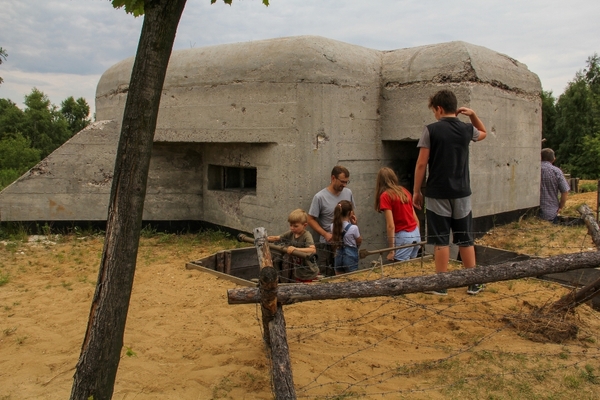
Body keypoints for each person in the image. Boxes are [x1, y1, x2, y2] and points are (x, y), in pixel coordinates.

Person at [412, 89, 487, 296]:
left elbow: (421, 163)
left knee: (441, 239)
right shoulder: (466, 129)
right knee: (465, 238)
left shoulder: (431, 130)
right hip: (462, 193)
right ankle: (473, 283)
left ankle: (441, 285)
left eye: (434, 111)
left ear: (439, 108)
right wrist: (473, 115)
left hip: (437, 192)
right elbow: (483, 133)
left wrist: (416, 191)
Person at [308, 165, 356, 276]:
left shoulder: (348, 193)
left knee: (347, 275)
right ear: (333, 178)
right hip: (327, 245)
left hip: (346, 244)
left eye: (346, 182)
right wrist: (325, 234)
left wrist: (353, 222)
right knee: (327, 275)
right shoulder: (319, 197)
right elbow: (310, 219)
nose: (344, 185)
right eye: (342, 181)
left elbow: (352, 213)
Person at [374, 167, 421, 262]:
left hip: (403, 236)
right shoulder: (404, 191)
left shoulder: (386, 196)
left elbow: (390, 226)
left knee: (400, 267)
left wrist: (391, 250)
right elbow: (415, 219)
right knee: (413, 266)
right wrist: (418, 238)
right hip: (415, 233)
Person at [267, 209, 320, 283]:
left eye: (295, 226)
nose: (292, 228)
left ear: (304, 225)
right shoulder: (291, 233)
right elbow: (277, 238)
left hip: (310, 273)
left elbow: (312, 250)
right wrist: (265, 239)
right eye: (291, 225)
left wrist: (295, 249)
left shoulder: (306, 235)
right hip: (299, 273)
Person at [330, 200, 362, 274]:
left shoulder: (332, 226)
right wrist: (355, 224)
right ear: (350, 213)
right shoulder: (354, 228)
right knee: (352, 277)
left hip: (338, 255)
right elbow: (359, 241)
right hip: (350, 256)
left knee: (339, 277)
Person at [540, 148, 570, 223]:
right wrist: (560, 207)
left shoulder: (533, 169)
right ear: (554, 159)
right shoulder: (556, 171)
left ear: (540, 157)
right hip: (551, 213)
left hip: (531, 215)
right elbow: (565, 191)